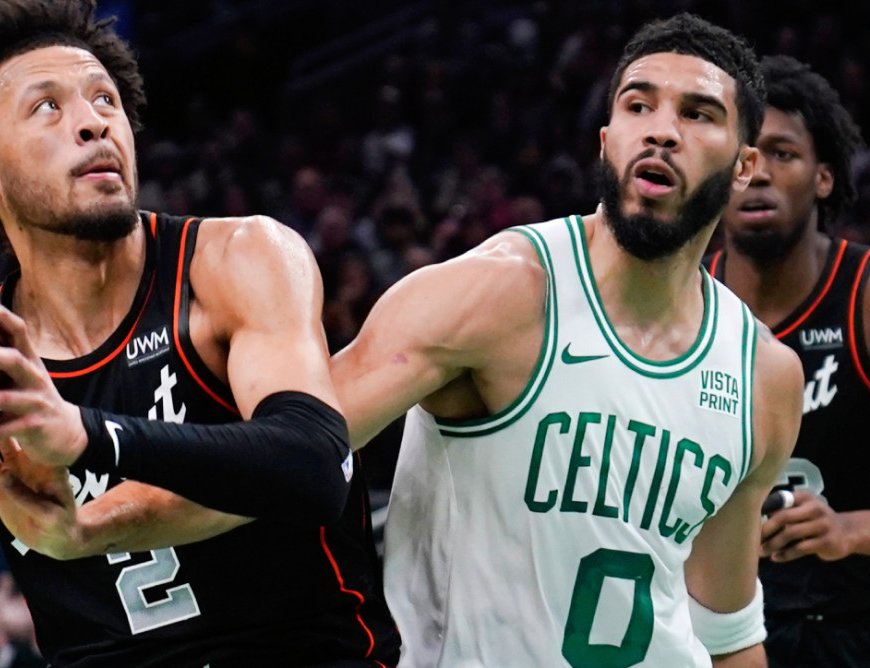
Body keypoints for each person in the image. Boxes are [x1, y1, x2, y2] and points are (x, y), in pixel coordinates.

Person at [0, 0, 398, 666]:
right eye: (48, 107)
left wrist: (88, 436)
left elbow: (314, 463)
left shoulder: (235, 259)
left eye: (106, 100)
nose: (94, 122)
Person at [330, 13, 804, 667]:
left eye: (698, 114)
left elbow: (726, 630)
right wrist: (136, 500)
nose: (661, 130)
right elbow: (282, 450)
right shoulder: (496, 295)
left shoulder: (763, 375)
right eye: (639, 105)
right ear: (607, 140)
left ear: (746, 165)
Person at [710, 55, 870, 667]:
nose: (760, 174)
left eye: (783, 153)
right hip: (724, 626)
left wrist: (848, 530)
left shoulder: (861, 294)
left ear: (824, 178)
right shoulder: (680, 312)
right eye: (744, 157)